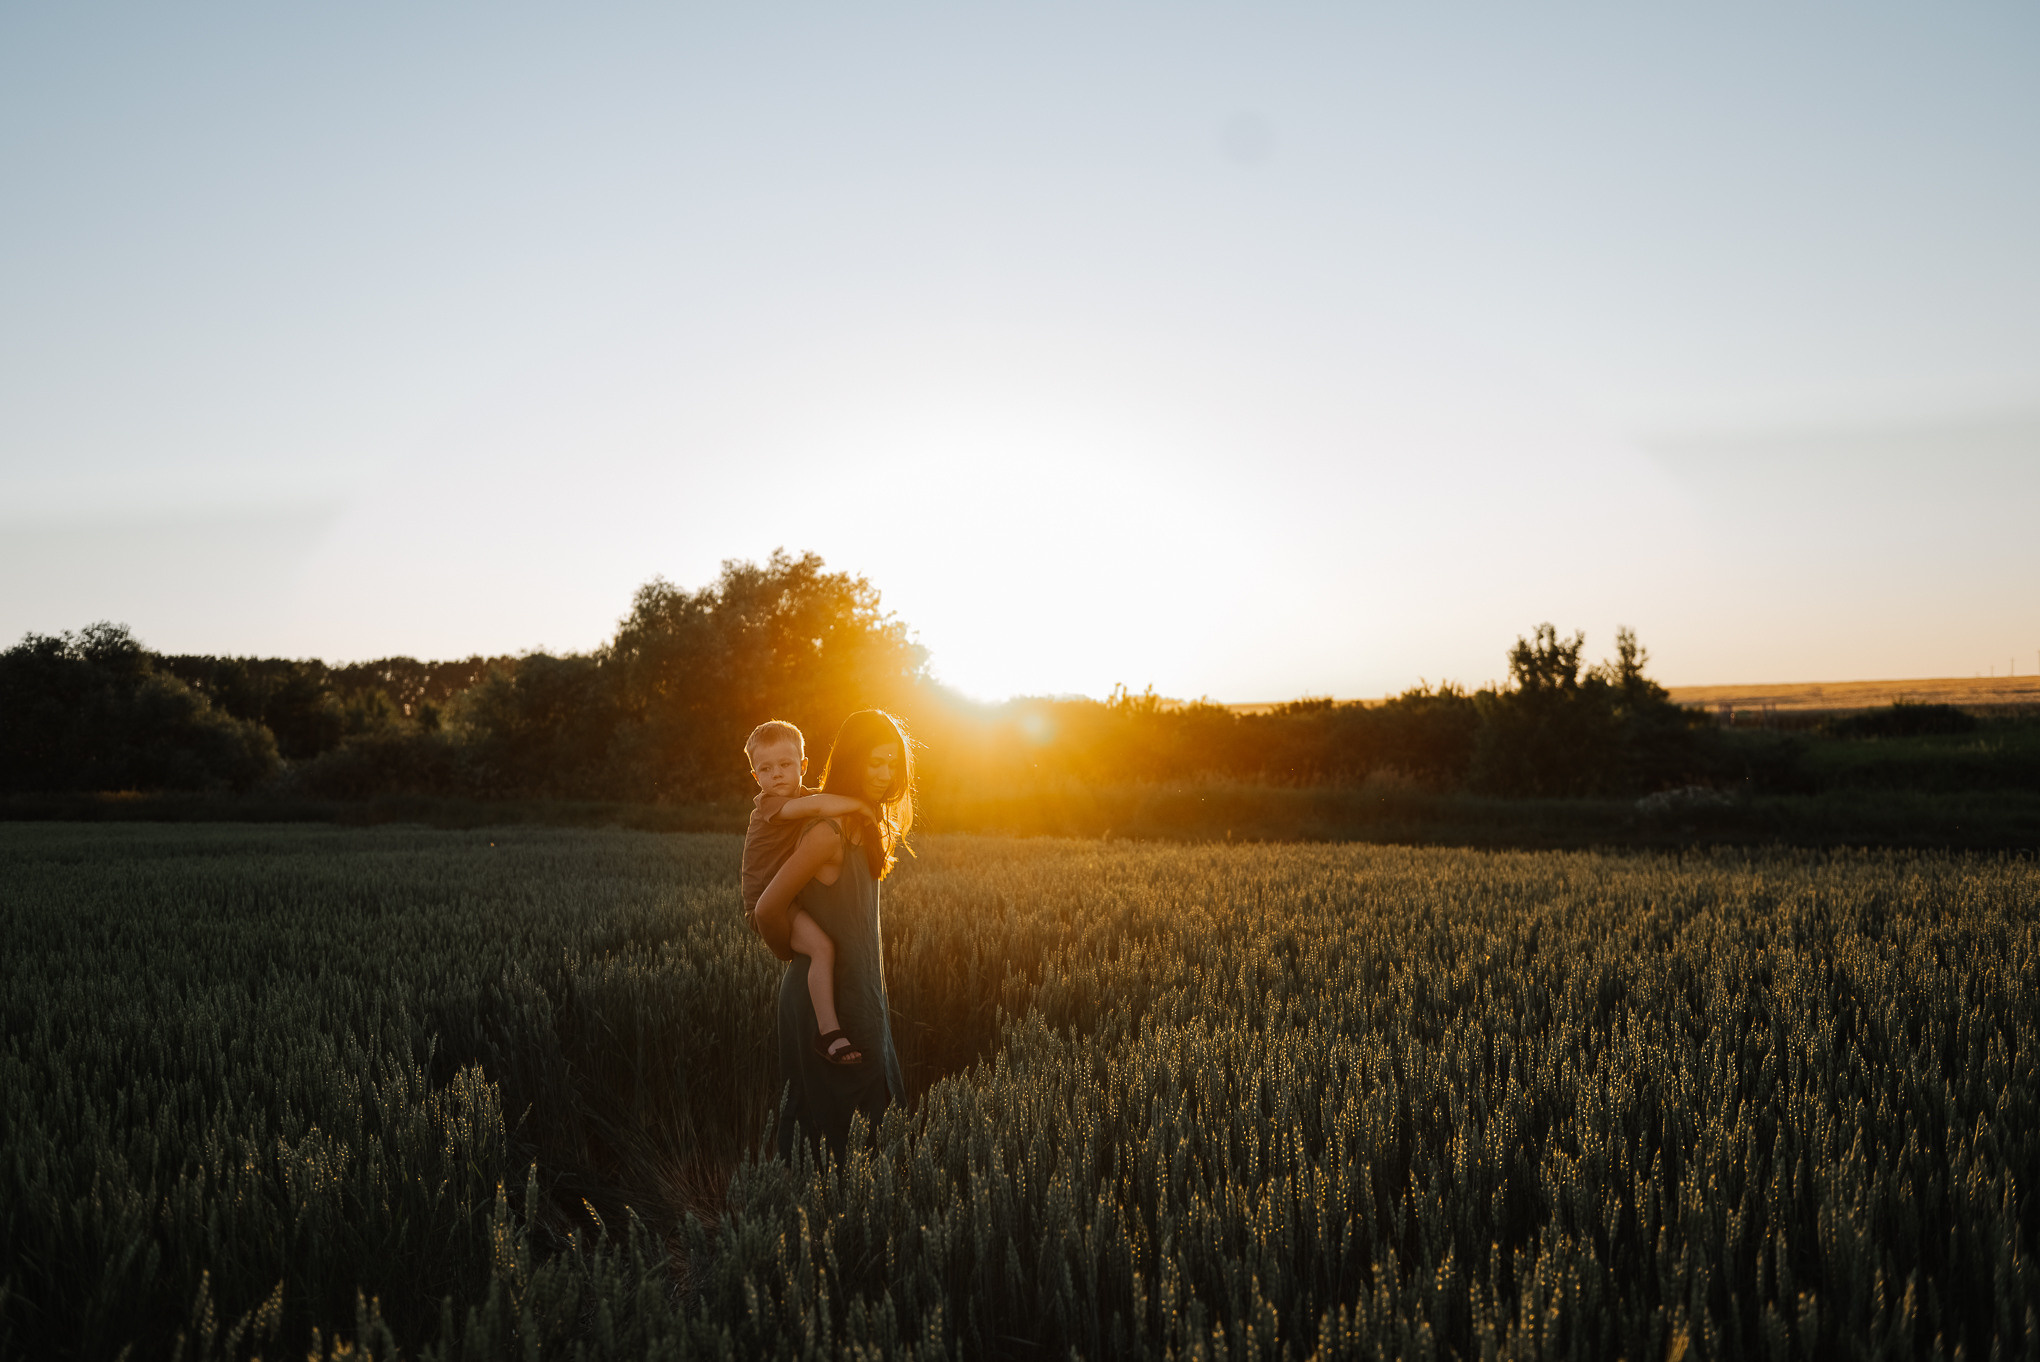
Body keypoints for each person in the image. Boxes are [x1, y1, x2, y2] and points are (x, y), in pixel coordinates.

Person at [752, 709, 914, 1160]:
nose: (885, 774)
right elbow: (766, 908)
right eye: (874, 762)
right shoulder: (828, 831)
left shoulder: (867, 823)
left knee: (871, 1129)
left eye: (892, 762)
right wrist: (793, 952)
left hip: (860, 992)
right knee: (827, 1136)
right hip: (823, 1002)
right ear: (851, 761)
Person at [740, 720, 878, 1065]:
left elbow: (821, 799)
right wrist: (861, 806)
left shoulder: (801, 796)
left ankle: (828, 1028)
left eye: (786, 765)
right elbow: (819, 807)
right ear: (756, 777)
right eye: (766, 769)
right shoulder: (769, 806)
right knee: (822, 948)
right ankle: (829, 1034)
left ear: (803, 765)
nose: (776, 775)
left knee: (822, 948)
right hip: (767, 902)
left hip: (787, 898)